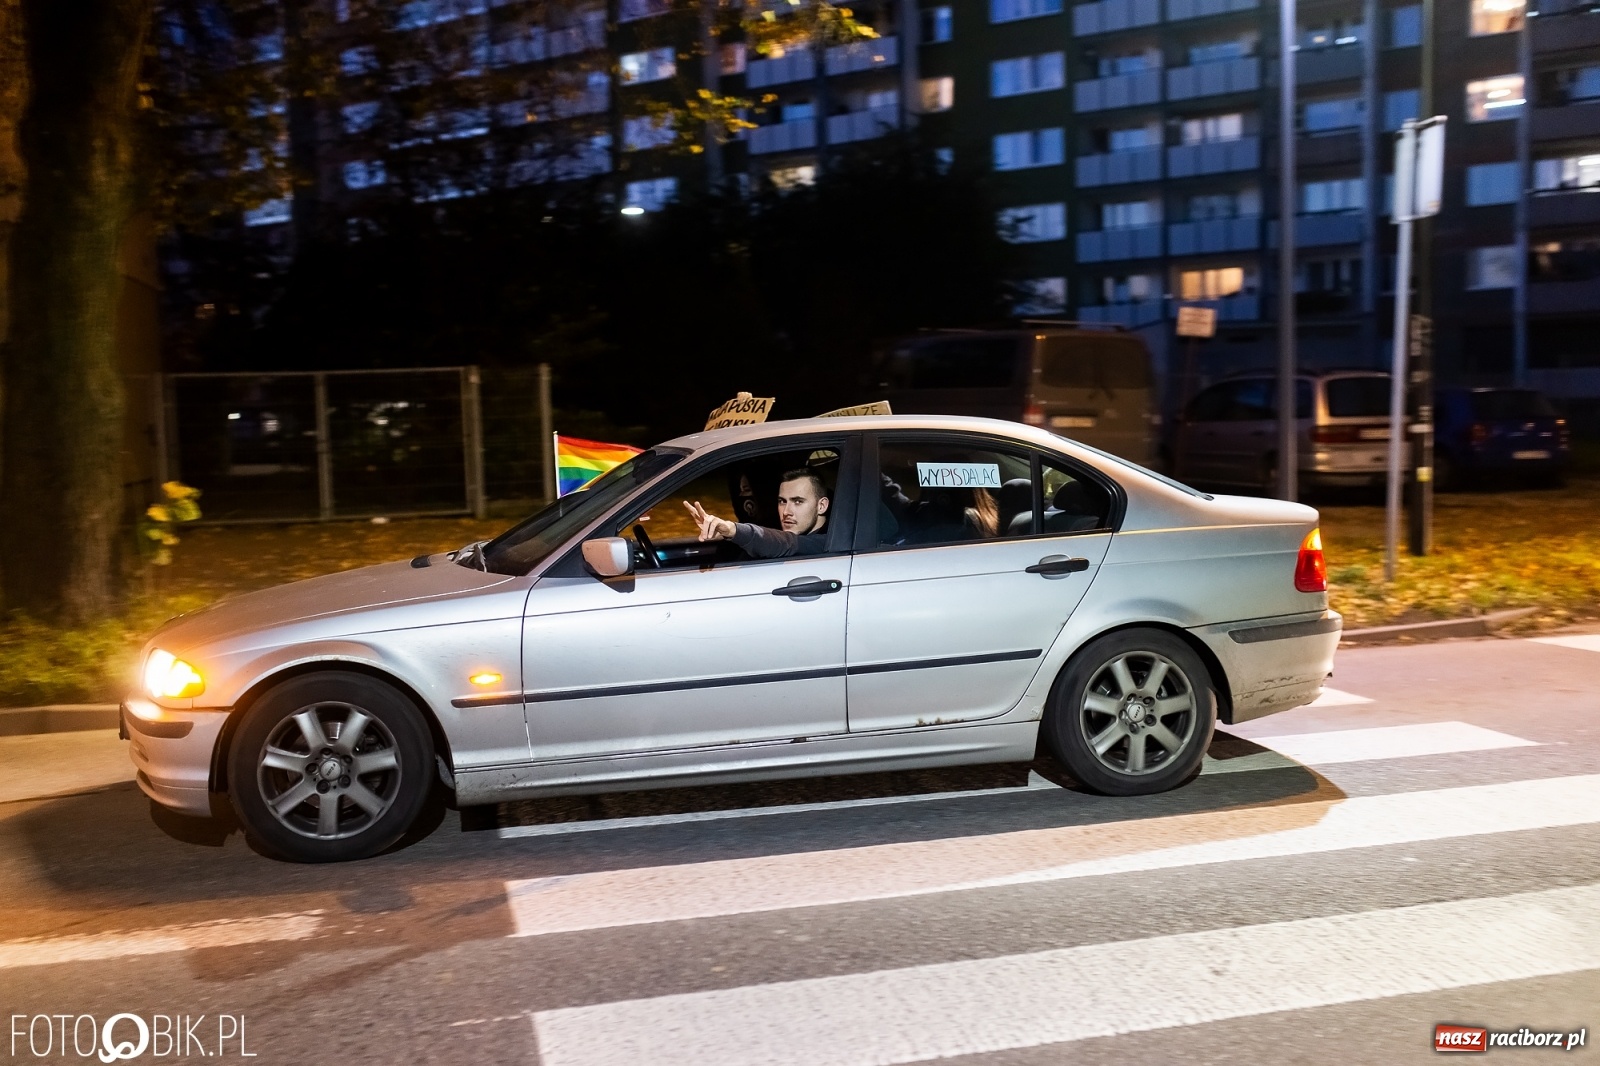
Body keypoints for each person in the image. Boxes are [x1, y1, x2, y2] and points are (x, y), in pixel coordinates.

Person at [684, 468, 831, 558]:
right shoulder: (783, 529)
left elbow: (786, 543)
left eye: (798, 501)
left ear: (822, 506)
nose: (786, 512)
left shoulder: (830, 542)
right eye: (782, 501)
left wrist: (733, 530)